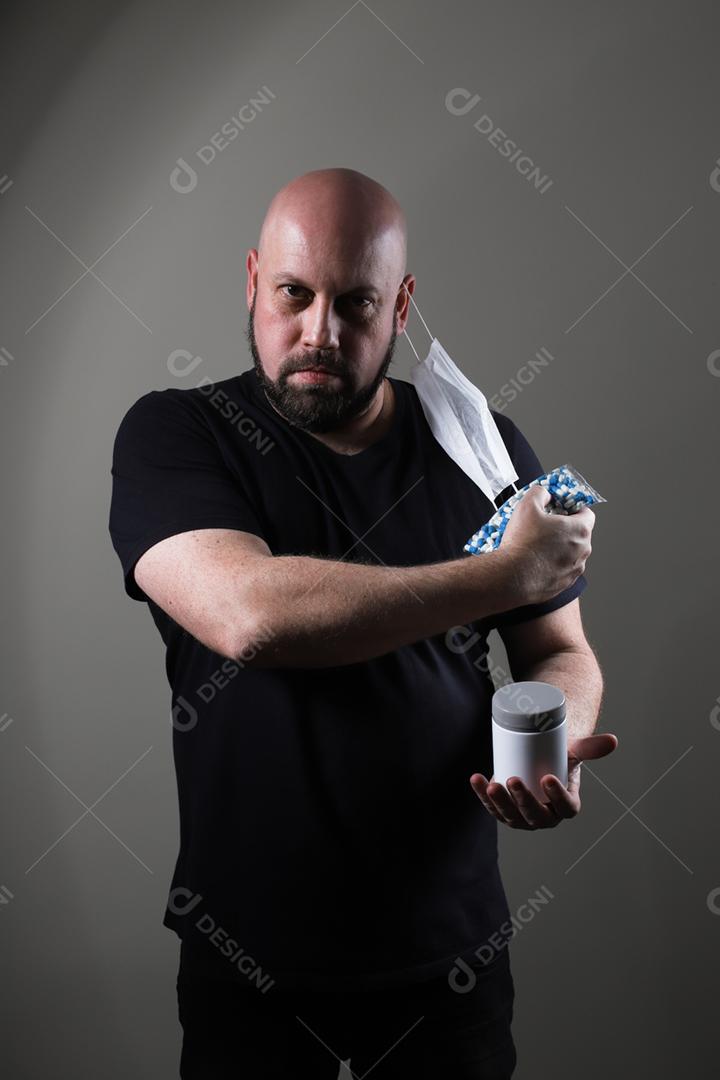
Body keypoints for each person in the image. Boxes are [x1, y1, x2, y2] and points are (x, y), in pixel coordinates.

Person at [108, 167, 617, 1078]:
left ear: (403, 304)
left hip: (447, 960)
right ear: (254, 280)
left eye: (357, 303)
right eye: (293, 295)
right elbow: (250, 615)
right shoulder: (177, 434)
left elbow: (559, 647)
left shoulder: (480, 446)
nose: (320, 334)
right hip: (252, 957)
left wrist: (550, 742)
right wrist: (502, 571)